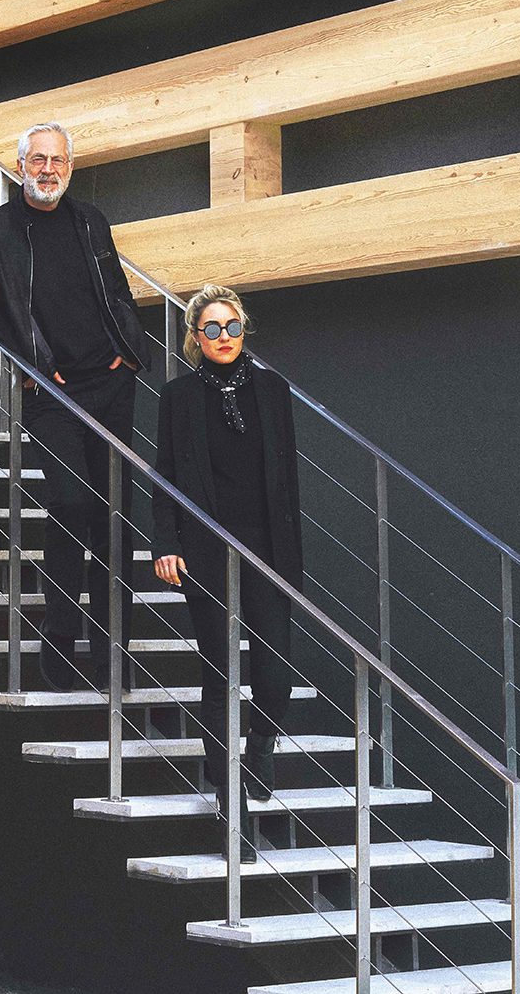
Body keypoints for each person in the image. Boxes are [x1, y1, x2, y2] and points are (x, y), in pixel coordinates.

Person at [0, 122, 150, 694]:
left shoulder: (91, 220)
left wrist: (130, 355)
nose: (49, 170)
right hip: (52, 390)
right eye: (39, 160)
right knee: (69, 505)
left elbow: (116, 291)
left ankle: (110, 652)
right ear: (20, 165)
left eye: (59, 161)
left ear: (70, 167)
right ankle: (59, 639)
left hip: (111, 383)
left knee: (113, 520)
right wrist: (34, 371)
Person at [151, 284, 303, 858]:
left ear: (244, 330)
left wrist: (290, 555)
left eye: (231, 326)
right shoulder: (179, 397)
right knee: (220, 674)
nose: (223, 337)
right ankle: (229, 801)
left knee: (274, 673)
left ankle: (261, 741)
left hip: (266, 549)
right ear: (195, 336)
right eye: (211, 328)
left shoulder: (272, 390)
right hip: (207, 548)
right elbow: (165, 473)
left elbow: (287, 480)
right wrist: (165, 540)